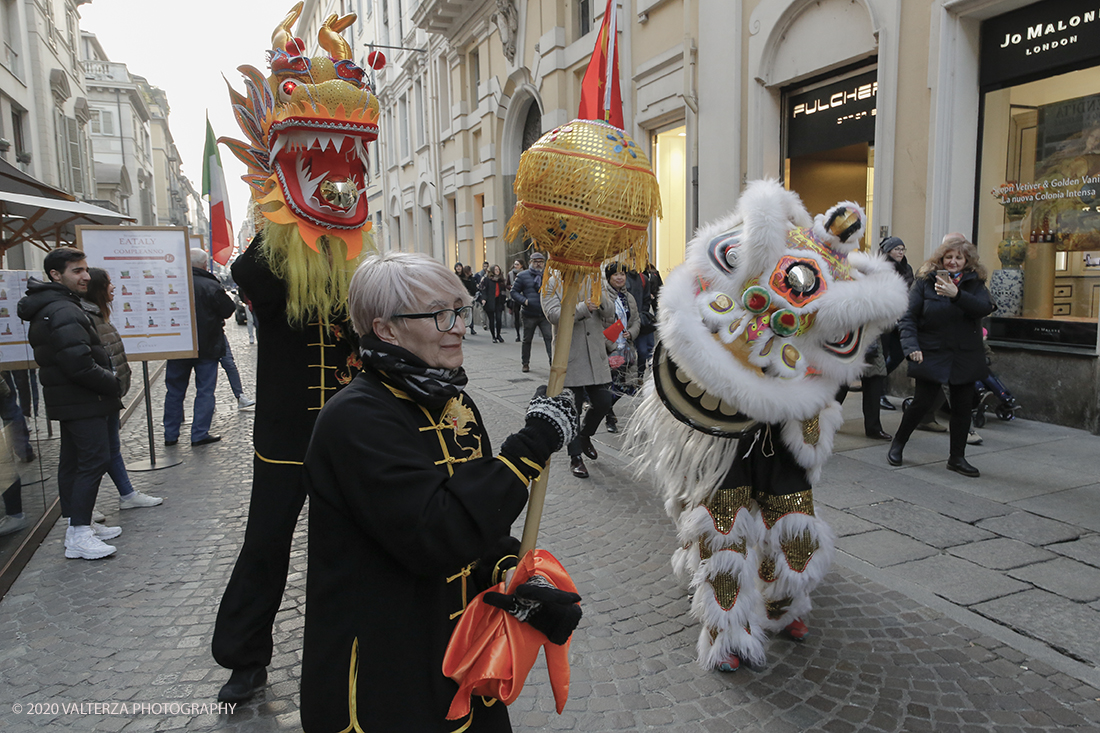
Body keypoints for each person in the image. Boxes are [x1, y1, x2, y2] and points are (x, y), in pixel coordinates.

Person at [299, 251, 580, 732]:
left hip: (463, 654)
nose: (458, 327)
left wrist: (513, 575)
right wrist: (527, 450)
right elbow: (435, 532)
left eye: (461, 310)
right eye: (440, 314)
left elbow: (478, 531)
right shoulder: (355, 418)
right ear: (385, 329)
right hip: (390, 669)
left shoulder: (454, 401)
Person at [17, 247, 122, 560]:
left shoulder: (60, 304)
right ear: (55, 275)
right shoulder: (62, 309)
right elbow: (78, 364)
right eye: (77, 270)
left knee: (75, 461)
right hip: (82, 399)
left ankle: (81, 522)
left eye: (86, 269)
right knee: (94, 460)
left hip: (76, 400)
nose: (86, 276)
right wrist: (112, 382)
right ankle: (78, 533)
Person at [888, 234, 994, 477]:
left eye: (959, 258)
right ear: (941, 259)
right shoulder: (925, 281)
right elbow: (908, 317)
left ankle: (957, 458)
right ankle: (898, 444)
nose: (953, 262)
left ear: (967, 261)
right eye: (949, 257)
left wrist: (956, 294)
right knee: (922, 403)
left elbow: (984, 308)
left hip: (964, 353)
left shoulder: (975, 282)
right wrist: (910, 346)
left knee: (962, 407)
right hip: (932, 351)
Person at [82, 268, 162, 510]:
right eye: (108, 283)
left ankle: (126, 494)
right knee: (95, 454)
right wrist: (110, 383)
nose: (113, 287)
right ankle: (82, 510)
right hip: (98, 394)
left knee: (110, 448)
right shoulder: (87, 318)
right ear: (98, 288)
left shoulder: (98, 315)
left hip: (108, 393)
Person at [544, 273, 616, 479]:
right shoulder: (552, 283)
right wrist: (583, 307)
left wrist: (600, 297)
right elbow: (553, 315)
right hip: (570, 355)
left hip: (595, 354)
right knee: (572, 408)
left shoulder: (595, 280)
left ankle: (585, 435)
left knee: (603, 401)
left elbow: (610, 312)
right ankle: (575, 457)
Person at [162, 249, 236, 447]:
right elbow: (228, 309)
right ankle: (199, 433)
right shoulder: (211, 285)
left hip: (178, 345)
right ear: (204, 265)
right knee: (204, 390)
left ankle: (170, 434)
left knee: (174, 390)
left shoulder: (174, 283)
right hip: (208, 345)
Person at [603, 263, 640, 433]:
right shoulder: (603, 296)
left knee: (627, 385)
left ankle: (606, 410)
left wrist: (631, 333)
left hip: (626, 347)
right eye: (616, 274)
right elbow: (598, 324)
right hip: (609, 348)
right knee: (614, 384)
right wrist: (610, 343)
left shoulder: (629, 297)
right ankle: (608, 416)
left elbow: (636, 320)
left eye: (622, 274)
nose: (620, 277)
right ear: (609, 277)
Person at [511, 251, 553, 372]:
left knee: (549, 338)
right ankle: (525, 363)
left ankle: (552, 363)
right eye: (536, 262)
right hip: (529, 313)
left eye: (541, 262)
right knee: (527, 339)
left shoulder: (548, 275)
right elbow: (514, 292)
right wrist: (525, 301)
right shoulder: (523, 275)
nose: (538, 264)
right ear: (530, 262)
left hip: (545, 313)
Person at [219, 335, 256, 410]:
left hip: (218, 334)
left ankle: (240, 396)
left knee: (230, 365)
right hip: (204, 335)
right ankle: (208, 401)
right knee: (209, 368)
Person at [478, 264, 509, 343]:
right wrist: (484, 299)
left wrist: (505, 298)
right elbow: (484, 290)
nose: (497, 271)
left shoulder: (501, 279)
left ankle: (498, 335)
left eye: (498, 269)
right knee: (491, 320)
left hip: (499, 301)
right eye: (495, 270)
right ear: (492, 271)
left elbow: (504, 290)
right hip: (490, 301)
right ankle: (493, 336)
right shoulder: (487, 279)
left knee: (499, 319)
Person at [506, 259, 525, 342]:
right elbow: (506, 285)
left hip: (524, 296)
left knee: (525, 316)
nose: (515, 266)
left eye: (517, 264)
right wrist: (511, 287)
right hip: (514, 297)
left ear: (521, 265)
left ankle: (525, 333)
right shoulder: (510, 274)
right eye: (515, 264)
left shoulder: (525, 273)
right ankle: (518, 334)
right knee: (516, 316)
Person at [459, 265, 479, 335]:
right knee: (463, 313)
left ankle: (471, 327)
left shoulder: (472, 279)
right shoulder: (461, 279)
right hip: (463, 297)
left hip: (471, 297)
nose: (470, 272)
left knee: (470, 312)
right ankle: (463, 328)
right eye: (469, 271)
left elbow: (474, 288)